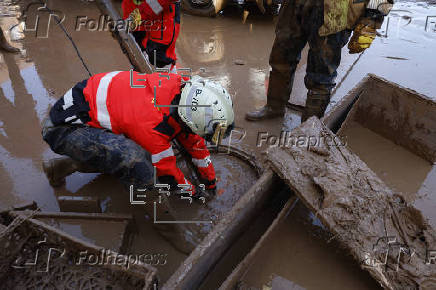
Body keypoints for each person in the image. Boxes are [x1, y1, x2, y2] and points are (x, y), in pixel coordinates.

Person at [41, 71, 235, 199]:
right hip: (63, 128)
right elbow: (168, 175)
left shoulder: (183, 91)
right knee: (136, 162)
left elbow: (195, 143)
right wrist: (195, 194)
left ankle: (61, 167)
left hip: (91, 110)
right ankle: (159, 224)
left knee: (123, 151)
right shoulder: (153, 124)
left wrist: (210, 183)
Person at [245, 0, 392, 122]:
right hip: (294, 5)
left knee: (321, 75)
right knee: (281, 59)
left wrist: (372, 18)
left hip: (336, 9)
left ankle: (309, 128)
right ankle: (274, 108)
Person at [122, 0, 180, 69]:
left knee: (159, 57)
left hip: (162, 12)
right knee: (136, 53)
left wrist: (133, 19)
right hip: (136, 13)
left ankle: (168, 76)